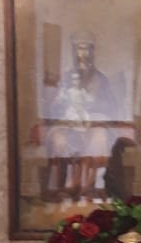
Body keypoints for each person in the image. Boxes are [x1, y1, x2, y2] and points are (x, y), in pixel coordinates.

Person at [45, 29, 118, 200]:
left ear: (92, 52)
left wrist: (91, 105)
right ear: (74, 51)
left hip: (94, 124)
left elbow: (111, 106)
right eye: (79, 48)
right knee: (58, 139)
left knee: (99, 138)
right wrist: (64, 105)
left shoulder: (101, 79)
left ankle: (94, 186)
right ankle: (65, 185)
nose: (82, 54)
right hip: (69, 124)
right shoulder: (66, 78)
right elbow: (55, 108)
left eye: (86, 49)